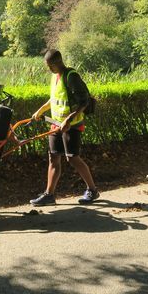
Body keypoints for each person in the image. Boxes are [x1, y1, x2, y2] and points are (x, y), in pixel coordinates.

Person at [29, 49, 99, 206]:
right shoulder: (55, 76)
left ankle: (92, 190)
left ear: (56, 63)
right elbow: (55, 98)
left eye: (48, 65)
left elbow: (84, 101)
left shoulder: (71, 76)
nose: (48, 68)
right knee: (53, 157)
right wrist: (41, 110)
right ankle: (49, 194)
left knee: (72, 158)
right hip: (56, 123)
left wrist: (69, 119)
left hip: (72, 125)